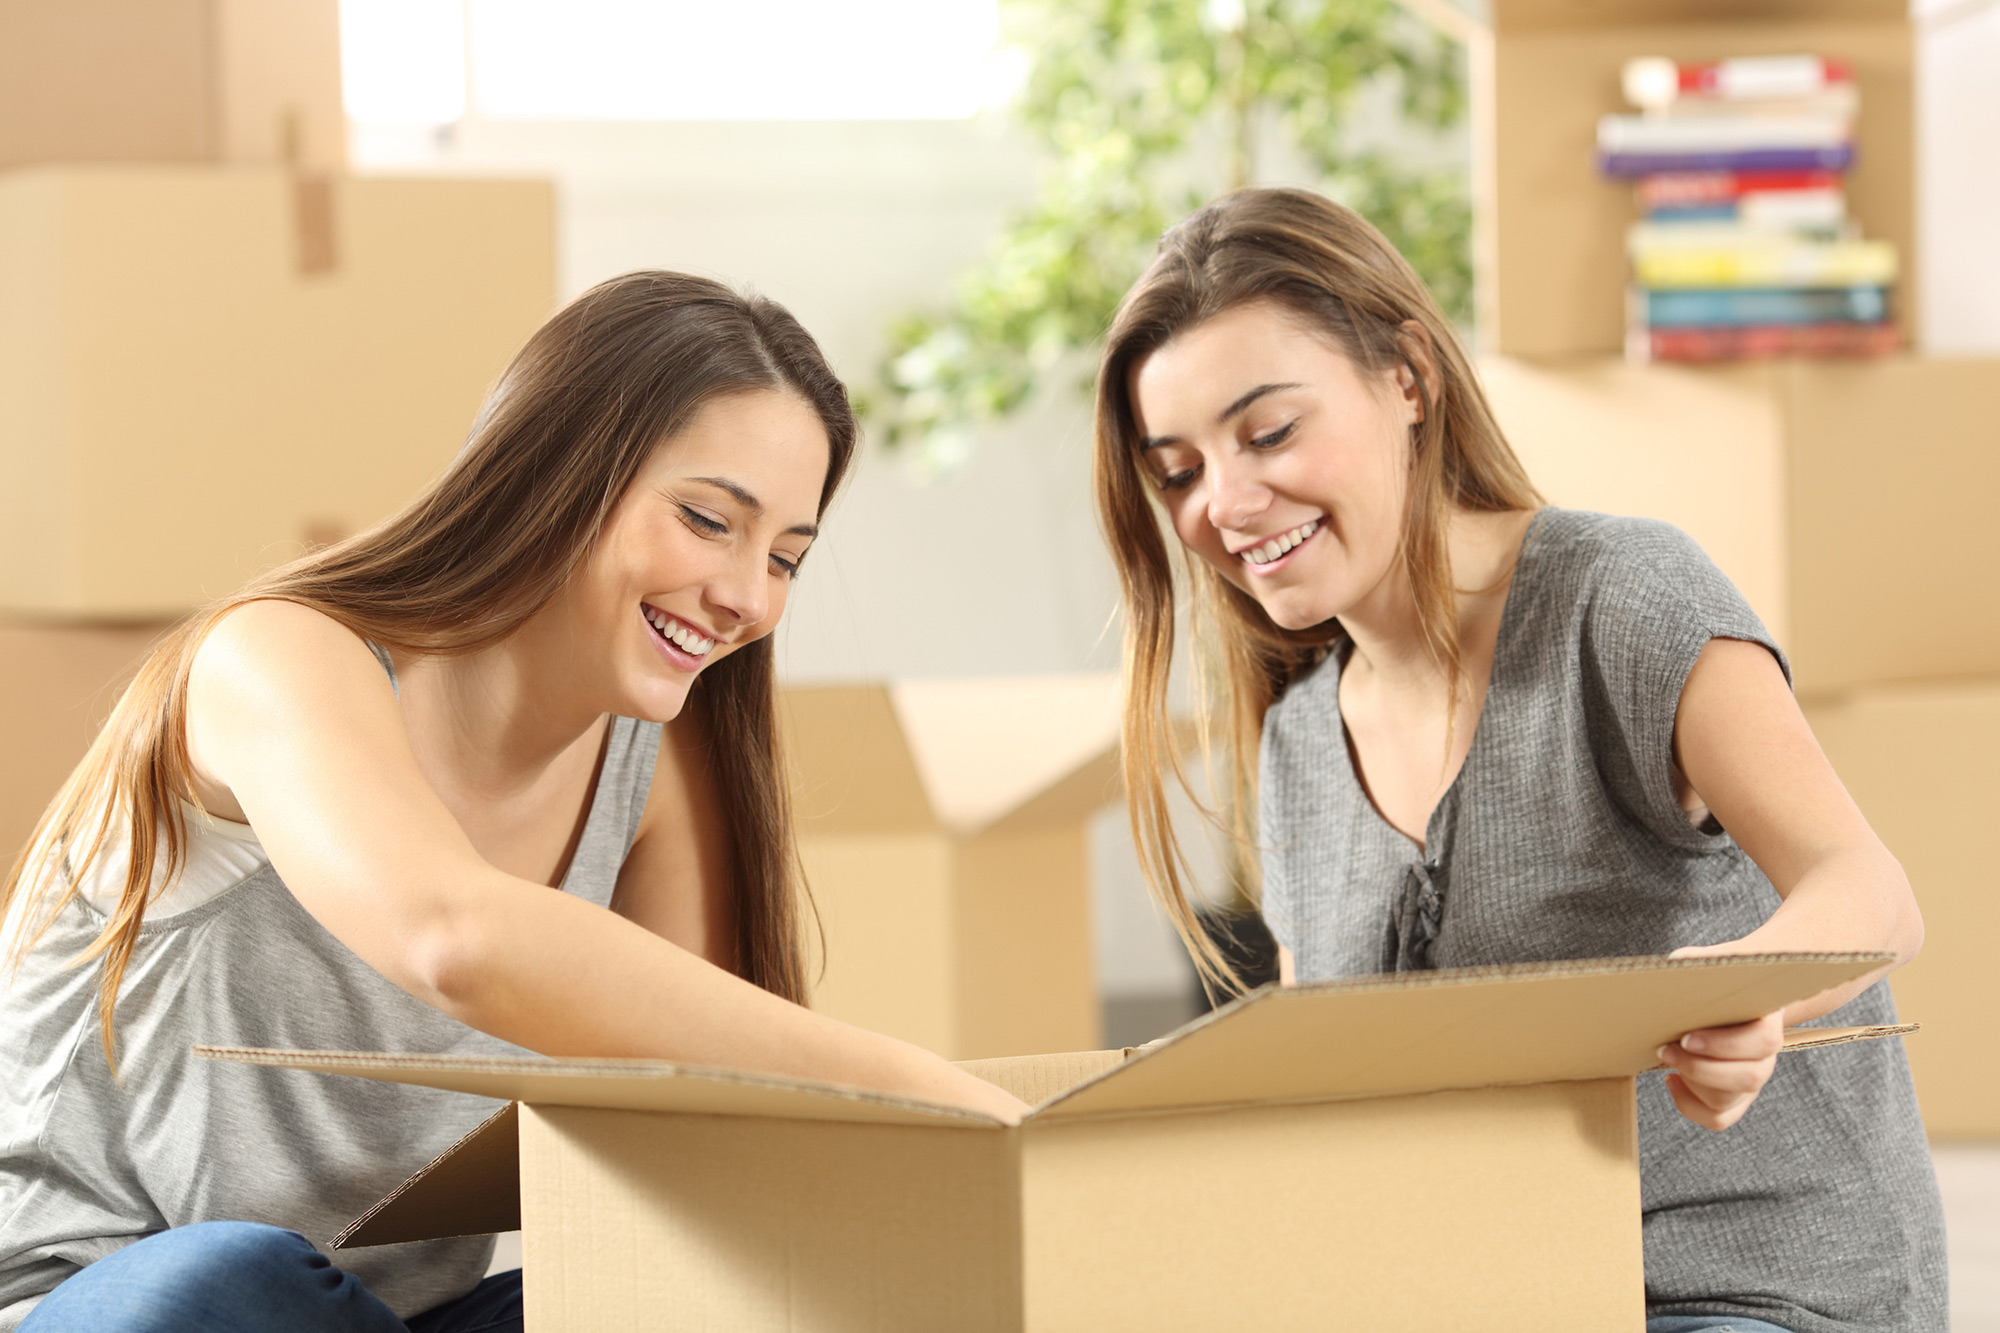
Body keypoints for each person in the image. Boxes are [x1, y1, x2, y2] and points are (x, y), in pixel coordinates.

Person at [0, 271, 1027, 1333]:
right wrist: (934, 1096)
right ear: (559, 467)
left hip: (407, 1318)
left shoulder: (655, 762)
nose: (746, 596)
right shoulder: (278, 656)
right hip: (115, 1302)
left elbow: (702, 1113)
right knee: (227, 1278)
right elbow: (452, 937)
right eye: (707, 519)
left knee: (718, 1297)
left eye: (784, 559)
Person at [1093, 188, 1946, 1333]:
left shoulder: (1620, 598)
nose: (1226, 504)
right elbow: (1328, 1102)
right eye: (1178, 471)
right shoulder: (1299, 745)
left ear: (1407, 377)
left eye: (1269, 432)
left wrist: (1745, 996)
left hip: (1747, 1290)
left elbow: (1867, 889)